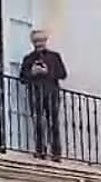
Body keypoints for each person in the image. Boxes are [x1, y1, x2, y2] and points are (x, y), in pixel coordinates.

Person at [18, 29, 66, 161]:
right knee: (38, 122)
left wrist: (48, 71)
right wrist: (32, 73)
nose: (39, 44)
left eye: (41, 41)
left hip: (51, 93)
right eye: (36, 41)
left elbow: (62, 74)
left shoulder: (54, 57)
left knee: (53, 123)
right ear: (32, 43)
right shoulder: (28, 59)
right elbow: (22, 78)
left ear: (46, 41)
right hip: (35, 94)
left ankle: (56, 153)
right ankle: (40, 151)